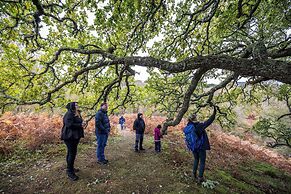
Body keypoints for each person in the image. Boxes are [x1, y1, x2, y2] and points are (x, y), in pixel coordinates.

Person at [186, 105, 216, 184]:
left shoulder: (189, 126)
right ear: (195, 118)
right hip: (201, 147)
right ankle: (200, 178)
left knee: (196, 159)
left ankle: (194, 174)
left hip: (193, 147)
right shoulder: (199, 126)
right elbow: (209, 121)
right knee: (202, 161)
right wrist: (214, 113)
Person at [61, 102, 84, 181]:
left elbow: (78, 122)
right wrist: (80, 125)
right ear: (72, 106)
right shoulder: (69, 114)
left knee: (71, 153)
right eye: (76, 105)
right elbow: (69, 125)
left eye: (78, 104)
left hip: (75, 137)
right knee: (72, 153)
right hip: (69, 137)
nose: (77, 106)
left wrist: (82, 123)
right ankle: (69, 172)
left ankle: (71, 168)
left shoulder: (76, 113)